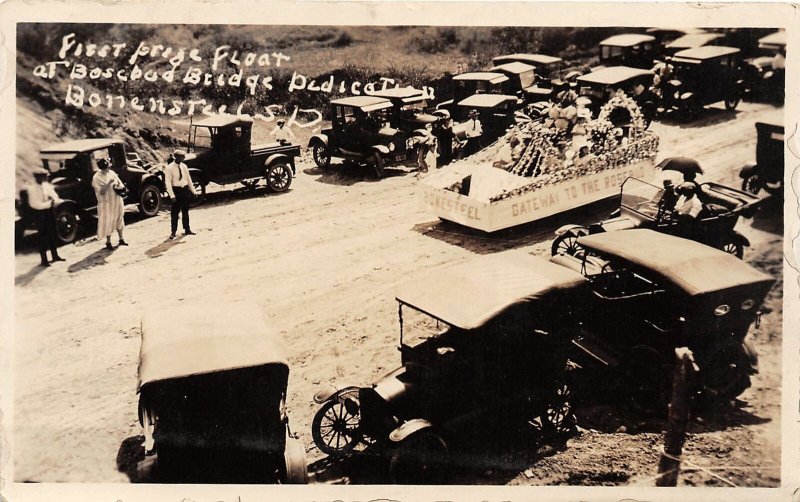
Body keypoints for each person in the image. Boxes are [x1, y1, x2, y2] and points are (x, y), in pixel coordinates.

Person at [25, 167, 65, 267]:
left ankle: (55, 255)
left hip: (50, 212)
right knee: (43, 236)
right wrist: (49, 203)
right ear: (37, 177)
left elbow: (55, 196)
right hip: (39, 214)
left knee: (53, 233)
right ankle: (44, 260)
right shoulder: (32, 189)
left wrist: (55, 201)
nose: (46, 178)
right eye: (44, 176)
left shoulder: (46, 186)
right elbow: (35, 204)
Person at [92, 158, 127, 250]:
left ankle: (121, 239)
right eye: (105, 168)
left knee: (119, 218)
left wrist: (121, 188)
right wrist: (109, 183)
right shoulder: (96, 178)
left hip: (116, 200)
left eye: (107, 167)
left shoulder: (112, 173)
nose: (107, 169)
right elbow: (101, 192)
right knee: (108, 221)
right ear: (101, 168)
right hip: (106, 203)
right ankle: (108, 242)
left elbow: (120, 183)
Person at [165, 149, 198, 240]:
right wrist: (172, 195)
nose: (184, 158)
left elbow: (189, 179)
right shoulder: (169, 168)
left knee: (185, 211)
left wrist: (193, 191)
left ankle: (187, 229)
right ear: (177, 157)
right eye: (182, 157)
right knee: (175, 213)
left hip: (184, 190)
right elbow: (168, 183)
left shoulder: (184, 166)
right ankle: (173, 232)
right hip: (176, 191)